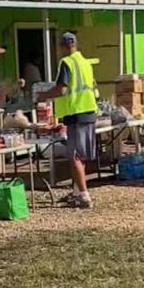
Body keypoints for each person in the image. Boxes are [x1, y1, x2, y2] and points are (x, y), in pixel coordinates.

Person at [37, 33, 99, 209]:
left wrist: (44, 96)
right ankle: (78, 191)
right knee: (82, 155)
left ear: (62, 47)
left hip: (75, 113)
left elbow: (62, 90)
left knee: (75, 156)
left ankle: (84, 196)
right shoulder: (85, 62)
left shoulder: (67, 63)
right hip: (89, 111)